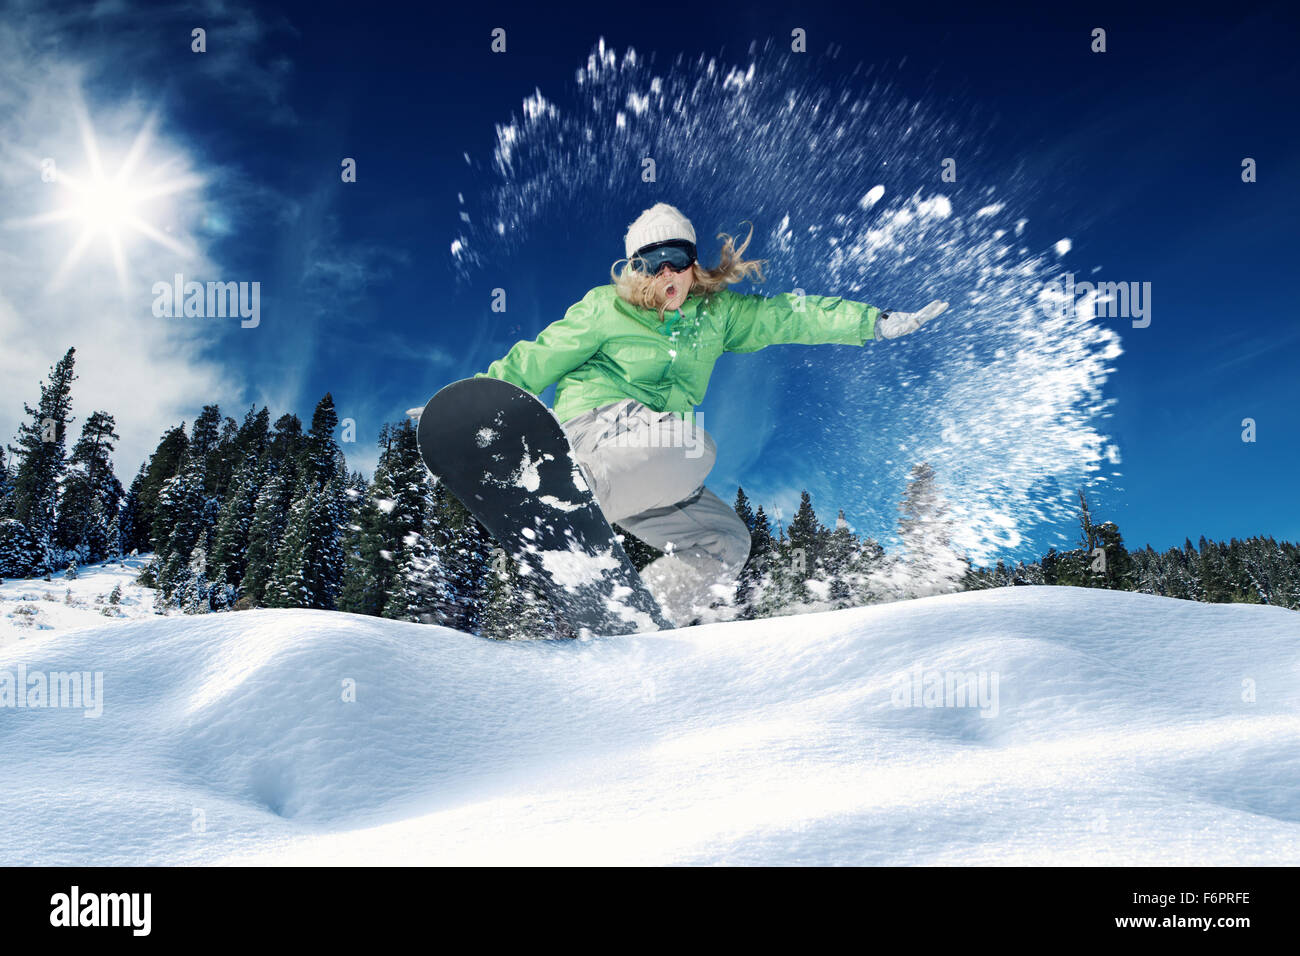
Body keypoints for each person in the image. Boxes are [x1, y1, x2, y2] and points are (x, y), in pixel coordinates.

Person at [477, 202, 947, 624]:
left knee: (727, 540)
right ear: (634, 270)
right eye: (650, 264)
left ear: (693, 263)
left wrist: (871, 322)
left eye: (676, 260)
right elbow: (538, 357)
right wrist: (478, 404)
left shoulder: (718, 314)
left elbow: (790, 315)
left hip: (649, 466)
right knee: (692, 445)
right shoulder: (607, 307)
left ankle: (644, 615)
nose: (665, 274)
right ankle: (565, 496)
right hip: (597, 434)